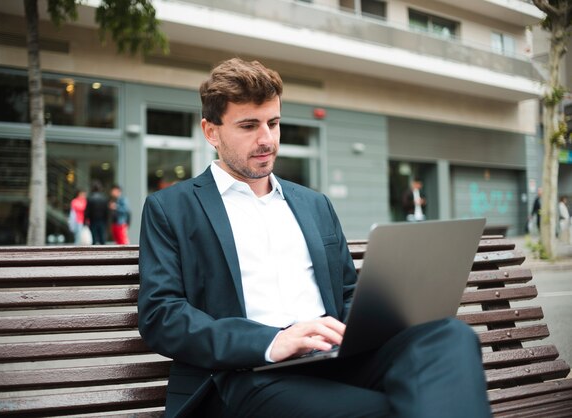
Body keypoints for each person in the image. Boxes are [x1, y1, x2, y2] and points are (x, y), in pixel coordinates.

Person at [138, 58, 491, 418]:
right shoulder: (171, 208)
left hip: (334, 357)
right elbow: (162, 316)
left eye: (273, 123)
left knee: (448, 334)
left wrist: (370, 324)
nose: (266, 139)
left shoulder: (313, 204)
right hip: (245, 374)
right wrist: (273, 341)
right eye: (248, 126)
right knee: (390, 409)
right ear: (211, 132)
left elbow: (347, 294)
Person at [84, 180, 109, 245]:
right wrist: (107, 221)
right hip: (102, 221)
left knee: (93, 239)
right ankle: (104, 253)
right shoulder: (104, 198)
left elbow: (87, 211)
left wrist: (85, 221)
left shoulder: (90, 198)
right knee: (102, 239)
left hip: (93, 221)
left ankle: (94, 253)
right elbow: (107, 211)